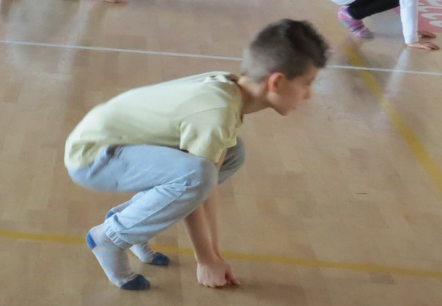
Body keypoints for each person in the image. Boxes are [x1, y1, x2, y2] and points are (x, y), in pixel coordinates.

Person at [64, 20, 329, 290]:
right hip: (93, 158)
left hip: (122, 147)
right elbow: (196, 181)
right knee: (196, 174)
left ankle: (133, 222)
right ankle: (109, 237)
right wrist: (205, 260)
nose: (308, 95)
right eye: (307, 83)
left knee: (233, 153)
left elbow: (205, 188)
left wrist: (215, 256)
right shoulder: (216, 114)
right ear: (277, 81)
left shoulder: (231, 91)